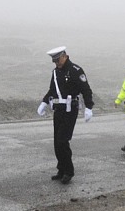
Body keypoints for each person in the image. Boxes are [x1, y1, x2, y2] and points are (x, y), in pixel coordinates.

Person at [36, 46, 94, 183]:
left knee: (63, 141)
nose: (57, 63)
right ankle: (61, 169)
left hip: (70, 110)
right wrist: (44, 103)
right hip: (59, 110)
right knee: (57, 142)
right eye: (54, 61)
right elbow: (52, 90)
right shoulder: (56, 72)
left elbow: (85, 89)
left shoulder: (75, 70)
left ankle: (69, 171)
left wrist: (89, 107)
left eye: (58, 60)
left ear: (64, 56)